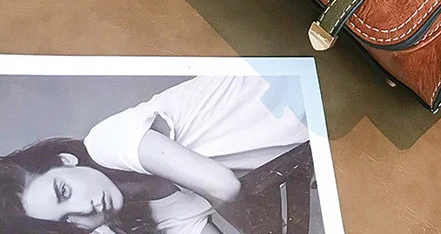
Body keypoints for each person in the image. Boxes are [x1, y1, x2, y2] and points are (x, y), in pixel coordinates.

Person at [0, 74, 309, 234]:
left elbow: (224, 186)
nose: (85, 209)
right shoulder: (155, 216)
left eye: (64, 191)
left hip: (294, 85)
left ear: (65, 160)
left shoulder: (106, 142)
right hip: (311, 132)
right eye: (69, 221)